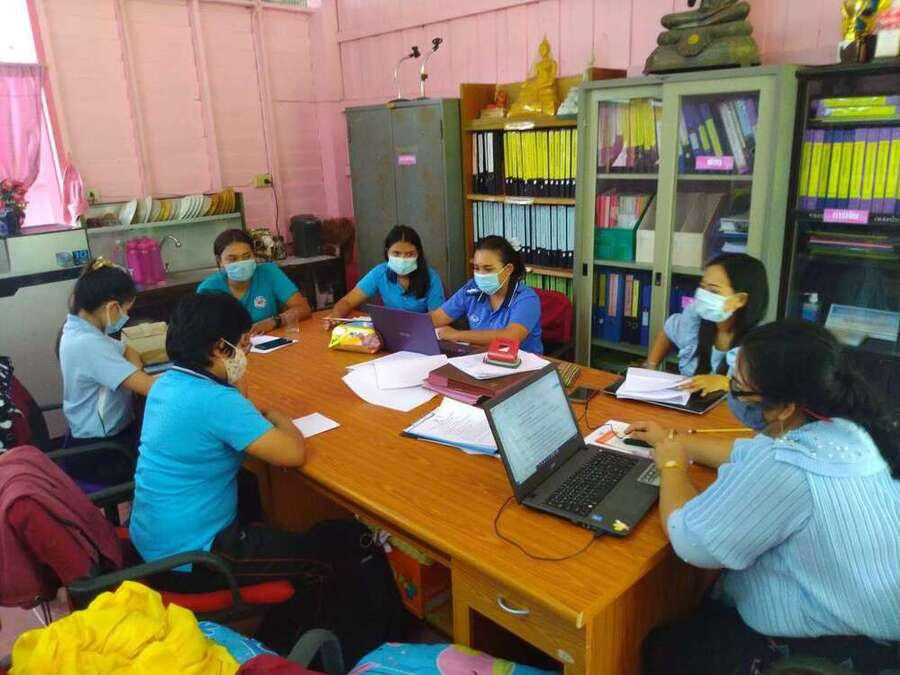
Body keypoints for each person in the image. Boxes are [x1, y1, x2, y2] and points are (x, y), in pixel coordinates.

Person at [629, 321, 900, 675]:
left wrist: (671, 466)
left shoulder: (790, 466)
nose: (732, 394)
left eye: (739, 388)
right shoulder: (844, 429)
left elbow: (691, 540)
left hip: (834, 647)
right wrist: (674, 440)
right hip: (874, 624)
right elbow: (747, 451)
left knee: (663, 646)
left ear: (785, 407)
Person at [130, 292, 329, 653]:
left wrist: (237, 384)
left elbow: (240, 405)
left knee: (253, 487)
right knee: (325, 556)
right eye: (242, 344)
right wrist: (280, 417)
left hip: (154, 542)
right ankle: (283, 648)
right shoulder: (213, 400)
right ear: (219, 348)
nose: (245, 353)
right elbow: (292, 453)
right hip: (194, 559)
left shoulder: (169, 382)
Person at [58, 259, 156, 484]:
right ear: (112, 307)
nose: (125, 316)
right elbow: (151, 388)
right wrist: (133, 376)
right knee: (169, 461)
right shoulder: (87, 344)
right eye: (126, 310)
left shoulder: (79, 328)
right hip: (101, 452)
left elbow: (128, 350)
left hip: (101, 439)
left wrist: (130, 373)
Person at [643, 253, 768, 396]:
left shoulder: (758, 345)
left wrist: (725, 383)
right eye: (702, 287)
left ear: (740, 300)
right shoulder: (695, 319)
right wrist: (649, 367)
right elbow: (669, 331)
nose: (702, 295)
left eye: (713, 291)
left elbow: (760, 395)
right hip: (688, 402)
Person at [431, 236, 543, 354]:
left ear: (508, 269)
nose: (481, 274)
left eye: (488, 269)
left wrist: (456, 335)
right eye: (476, 268)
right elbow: (437, 317)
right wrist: (417, 323)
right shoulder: (472, 289)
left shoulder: (526, 298)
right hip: (481, 358)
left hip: (522, 361)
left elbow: (511, 337)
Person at [197, 229, 311, 336]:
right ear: (219, 261)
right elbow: (202, 333)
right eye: (232, 259)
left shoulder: (269, 272)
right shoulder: (209, 289)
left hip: (269, 342)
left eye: (247, 256)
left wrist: (274, 321)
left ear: (254, 255)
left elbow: (303, 308)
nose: (241, 263)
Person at [327, 225, 444, 323]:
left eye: (409, 254)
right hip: (390, 332)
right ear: (387, 253)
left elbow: (437, 319)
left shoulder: (431, 278)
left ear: (418, 254)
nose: (402, 259)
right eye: (396, 254)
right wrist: (336, 316)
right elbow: (347, 301)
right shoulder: (380, 273)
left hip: (421, 333)